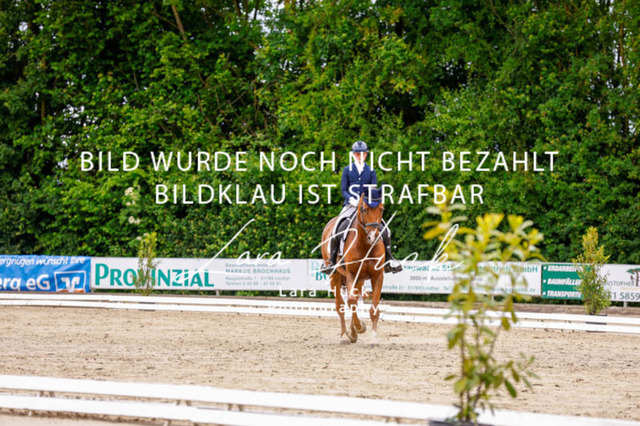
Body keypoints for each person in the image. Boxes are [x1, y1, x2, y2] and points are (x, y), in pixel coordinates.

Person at [321, 141, 402, 274]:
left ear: (366, 155)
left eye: (362, 154)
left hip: (367, 207)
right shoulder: (347, 170)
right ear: (353, 155)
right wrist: (351, 199)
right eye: (357, 154)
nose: (360, 156)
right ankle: (331, 261)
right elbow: (343, 190)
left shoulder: (371, 171)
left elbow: (373, 191)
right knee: (337, 228)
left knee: (386, 230)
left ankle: (388, 260)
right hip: (350, 205)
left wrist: (367, 202)